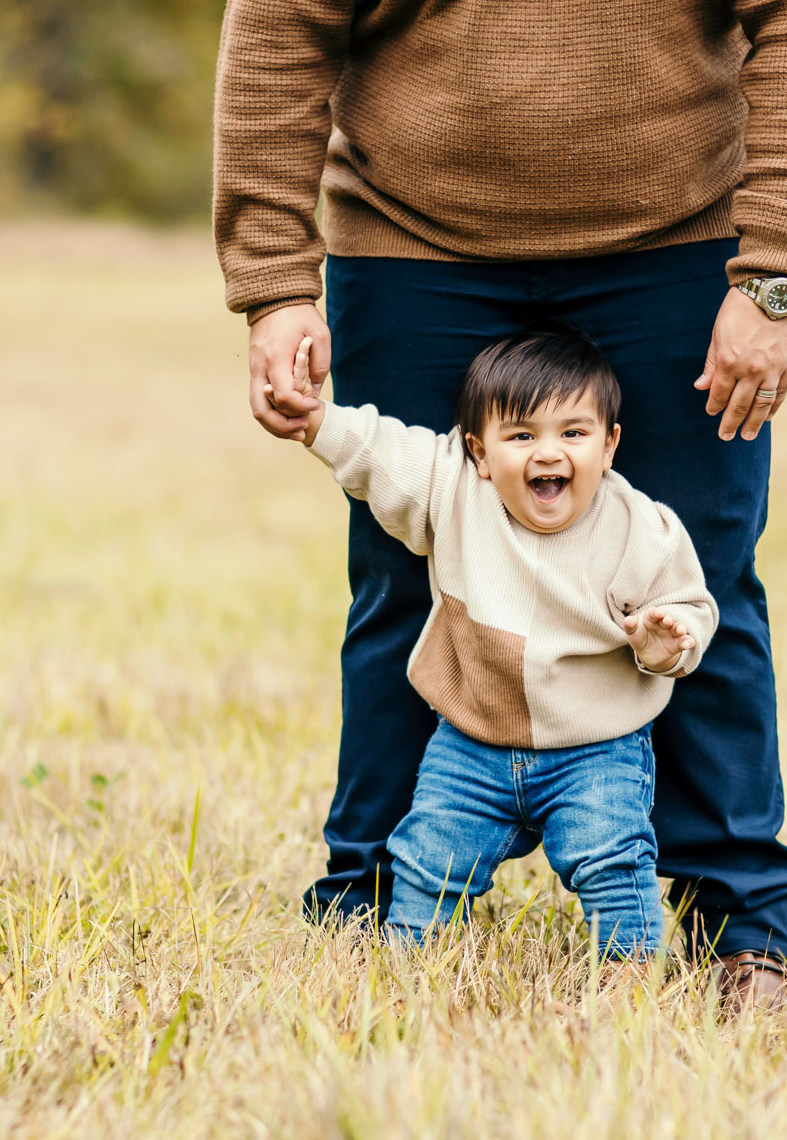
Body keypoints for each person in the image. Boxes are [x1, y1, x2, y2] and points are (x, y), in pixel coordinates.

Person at [214, 0, 787, 1008]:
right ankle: (377, 898)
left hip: (675, 251)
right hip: (410, 246)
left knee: (699, 579)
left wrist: (776, 273)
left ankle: (739, 920)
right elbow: (280, 29)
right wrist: (275, 278)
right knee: (402, 580)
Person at [277, 326, 717, 959]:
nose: (548, 453)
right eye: (521, 436)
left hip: (595, 751)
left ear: (610, 444)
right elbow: (379, 451)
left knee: (613, 862)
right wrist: (316, 422)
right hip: (470, 747)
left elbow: (688, 605)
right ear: (480, 453)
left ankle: (628, 977)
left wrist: (664, 642)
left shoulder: (639, 526)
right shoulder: (455, 490)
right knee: (429, 860)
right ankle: (410, 966)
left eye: (573, 433)